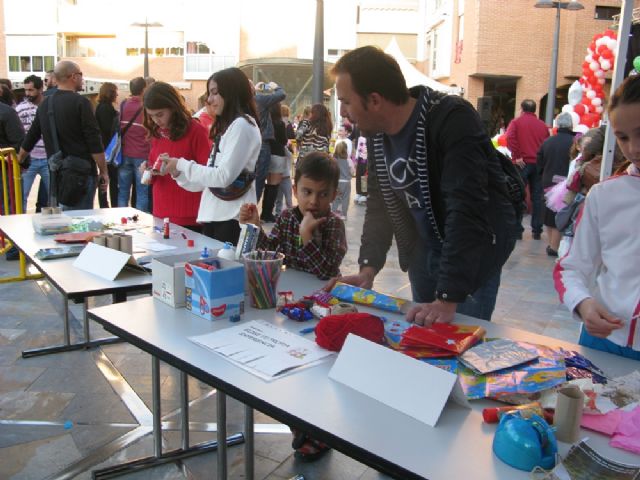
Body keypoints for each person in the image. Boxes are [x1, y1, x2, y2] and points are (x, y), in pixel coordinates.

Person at [332, 46, 517, 324]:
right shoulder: (377, 133)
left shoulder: (452, 119)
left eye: (346, 101)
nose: (344, 112)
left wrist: (447, 297)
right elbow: (380, 204)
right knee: (421, 339)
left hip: (472, 256)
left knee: (455, 348)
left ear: (374, 100)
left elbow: (465, 208)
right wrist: (368, 268)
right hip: (423, 250)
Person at [554, 74, 640, 360]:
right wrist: (583, 303)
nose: (633, 148)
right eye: (623, 137)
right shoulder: (604, 196)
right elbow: (571, 267)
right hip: (603, 339)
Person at [161, 68, 261, 244]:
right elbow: (208, 183)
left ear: (231, 92)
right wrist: (177, 173)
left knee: (225, 270)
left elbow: (222, 177)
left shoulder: (242, 125)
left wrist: (182, 165)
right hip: (218, 217)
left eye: (215, 93)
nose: (209, 100)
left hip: (232, 219)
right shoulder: (230, 126)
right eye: (209, 93)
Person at [240, 151, 347, 280]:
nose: (313, 201)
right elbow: (271, 255)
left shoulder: (334, 224)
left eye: (323, 194)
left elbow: (327, 272)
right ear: (295, 191)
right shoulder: (287, 218)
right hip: (291, 289)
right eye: (307, 192)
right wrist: (255, 226)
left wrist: (307, 236)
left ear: (333, 196)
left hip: (322, 295)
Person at [18, 61, 108, 209]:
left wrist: (19, 160)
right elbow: (94, 141)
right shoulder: (82, 103)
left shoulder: (45, 105)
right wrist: (103, 171)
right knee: (80, 224)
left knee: (62, 223)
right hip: (81, 174)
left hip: (57, 173)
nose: (82, 78)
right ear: (73, 76)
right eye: (80, 75)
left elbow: (31, 137)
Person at [141, 81, 210, 231]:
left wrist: (178, 169)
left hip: (189, 214)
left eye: (160, 114)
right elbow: (156, 166)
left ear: (173, 107)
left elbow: (207, 172)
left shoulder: (196, 130)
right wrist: (148, 171)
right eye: (151, 116)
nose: (156, 120)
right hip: (160, 211)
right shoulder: (157, 132)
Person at [506, 99, 549, 240]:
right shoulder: (543, 126)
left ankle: (517, 229)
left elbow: (510, 138)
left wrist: (517, 156)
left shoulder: (516, 122)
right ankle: (537, 230)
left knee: (518, 195)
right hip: (537, 163)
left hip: (522, 163)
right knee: (537, 197)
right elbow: (546, 144)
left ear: (522, 109)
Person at [536, 112, 575, 257]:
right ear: (571, 125)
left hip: (548, 180)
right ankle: (555, 246)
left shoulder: (548, 142)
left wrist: (543, 175)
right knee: (562, 213)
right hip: (567, 182)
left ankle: (552, 244)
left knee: (549, 213)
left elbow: (539, 162)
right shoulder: (575, 141)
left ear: (557, 125)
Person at [16, 75, 49, 212]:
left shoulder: (49, 106)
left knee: (54, 196)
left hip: (48, 158)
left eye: (31, 90)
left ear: (41, 89)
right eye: (26, 90)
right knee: (22, 196)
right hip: (30, 158)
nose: (27, 93)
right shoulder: (20, 109)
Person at [118, 77, 151, 212]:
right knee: (142, 192)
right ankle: (141, 222)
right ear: (144, 89)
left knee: (123, 191)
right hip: (142, 155)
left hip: (124, 153)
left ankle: (120, 219)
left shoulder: (123, 104)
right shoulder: (146, 108)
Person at [254, 81, 286, 202]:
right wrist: (275, 86)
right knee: (259, 178)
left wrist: (255, 90)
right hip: (262, 142)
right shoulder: (259, 100)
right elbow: (281, 94)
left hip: (249, 143)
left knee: (249, 178)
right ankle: (252, 209)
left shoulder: (242, 102)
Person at [260, 101, 288, 223]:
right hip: (278, 155)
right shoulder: (280, 123)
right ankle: (268, 214)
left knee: (267, 185)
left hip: (266, 154)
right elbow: (283, 140)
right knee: (274, 186)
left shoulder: (264, 122)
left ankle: (264, 212)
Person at [95, 82, 119, 208]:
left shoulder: (101, 106)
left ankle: (104, 203)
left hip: (103, 147)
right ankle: (108, 204)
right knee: (110, 178)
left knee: (105, 177)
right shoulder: (106, 108)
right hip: (108, 149)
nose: (117, 94)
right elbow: (108, 130)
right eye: (115, 91)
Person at [274, 103, 295, 216]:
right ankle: (278, 214)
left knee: (287, 198)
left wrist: (287, 147)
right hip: (281, 174)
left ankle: (289, 214)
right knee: (279, 198)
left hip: (284, 175)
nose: (286, 119)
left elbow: (290, 155)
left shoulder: (285, 141)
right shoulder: (280, 129)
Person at [332, 141, 352, 219]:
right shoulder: (348, 160)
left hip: (336, 181)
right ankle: (344, 215)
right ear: (346, 150)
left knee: (336, 198)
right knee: (345, 199)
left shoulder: (334, 160)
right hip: (346, 182)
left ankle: (334, 212)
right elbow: (352, 171)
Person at [353, 134, 368, 205]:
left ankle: (364, 194)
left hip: (367, 160)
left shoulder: (370, 137)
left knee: (364, 177)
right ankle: (358, 192)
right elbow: (357, 149)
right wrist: (355, 160)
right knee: (358, 176)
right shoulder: (360, 138)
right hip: (360, 159)